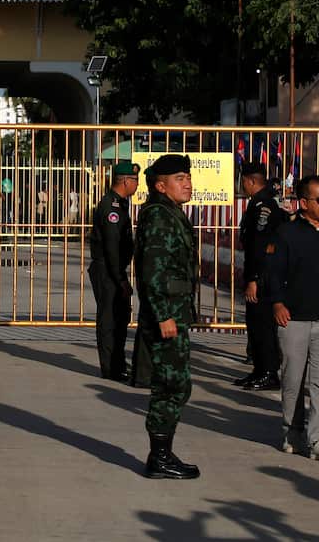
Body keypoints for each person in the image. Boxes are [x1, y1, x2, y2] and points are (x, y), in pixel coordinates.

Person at [267, 175, 319, 462]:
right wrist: (278, 303)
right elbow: (273, 273)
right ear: (304, 203)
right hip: (294, 320)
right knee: (292, 380)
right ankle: (292, 431)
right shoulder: (286, 234)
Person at [135, 154, 200, 480]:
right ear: (161, 186)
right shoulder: (160, 217)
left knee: (175, 384)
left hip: (174, 311)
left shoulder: (169, 213)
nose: (187, 182)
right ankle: (159, 457)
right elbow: (153, 271)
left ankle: (161, 453)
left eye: (187, 176)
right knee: (171, 385)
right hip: (166, 315)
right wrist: (163, 315)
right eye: (179, 178)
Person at [236, 162, 289, 390]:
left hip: (264, 277)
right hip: (260, 274)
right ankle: (259, 369)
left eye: (243, 182)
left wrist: (254, 279)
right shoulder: (257, 204)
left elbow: (259, 246)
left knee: (262, 326)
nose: (242, 186)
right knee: (255, 325)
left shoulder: (263, 207)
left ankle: (268, 372)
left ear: (251, 181)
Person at [89, 162, 138, 381]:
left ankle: (117, 363)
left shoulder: (119, 204)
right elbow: (111, 247)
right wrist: (120, 279)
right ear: (126, 181)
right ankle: (110, 368)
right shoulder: (111, 208)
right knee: (109, 320)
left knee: (120, 318)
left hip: (114, 268)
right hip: (108, 270)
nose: (137, 185)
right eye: (135, 180)